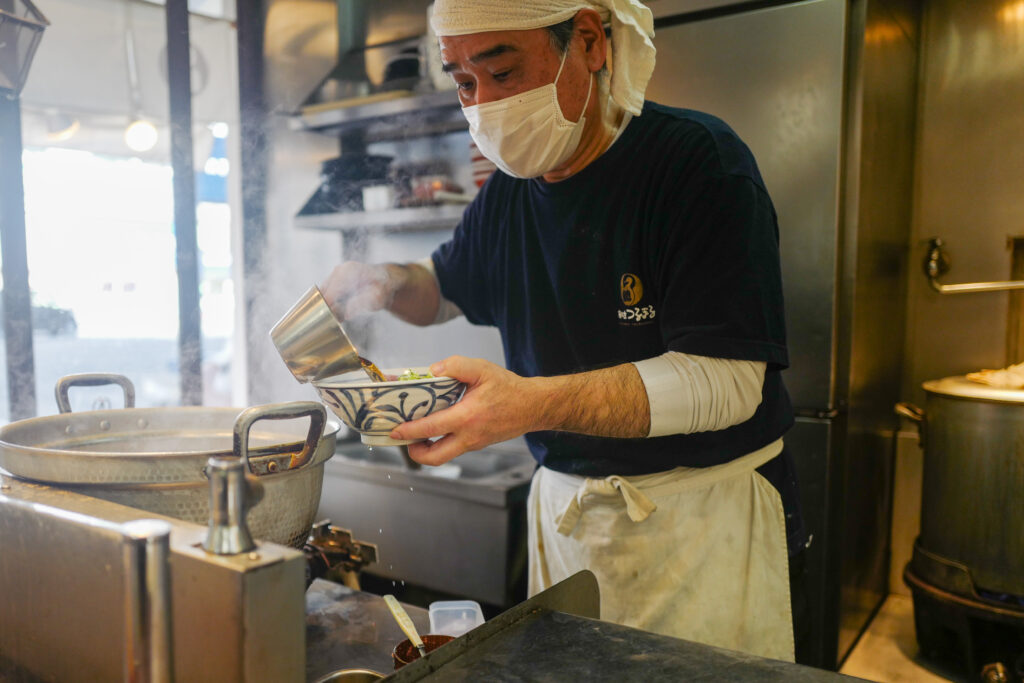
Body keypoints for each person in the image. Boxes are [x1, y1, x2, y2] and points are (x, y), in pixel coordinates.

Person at [319, 0, 807, 662]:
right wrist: (377, 281)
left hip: (700, 521)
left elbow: (728, 382)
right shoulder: (508, 195)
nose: (485, 104)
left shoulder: (696, 164)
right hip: (569, 521)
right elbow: (441, 290)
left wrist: (530, 402)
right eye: (465, 83)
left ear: (589, 41)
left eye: (504, 71)